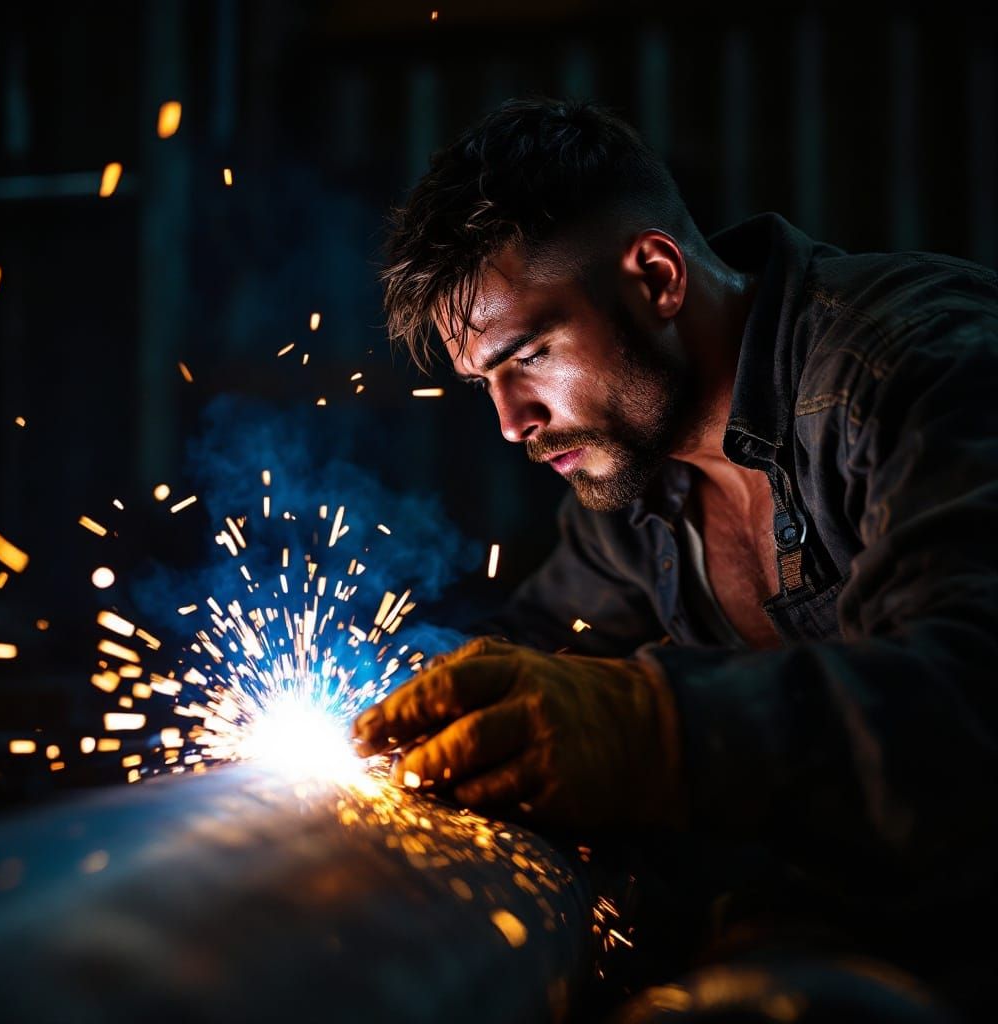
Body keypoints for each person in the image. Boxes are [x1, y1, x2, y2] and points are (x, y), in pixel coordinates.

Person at [353, 98, 998, 1018]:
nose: (510, 422)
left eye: (530, 354)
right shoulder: (634, 489)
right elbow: (530, 649)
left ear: (655, 276)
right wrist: (400, 704)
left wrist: (657, 728)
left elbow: (972, 694)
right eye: (483, 384)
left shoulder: (918, 368)